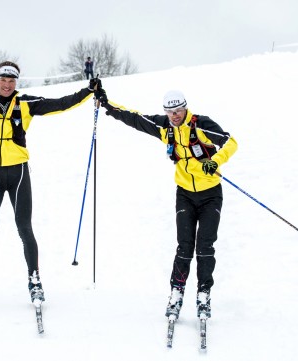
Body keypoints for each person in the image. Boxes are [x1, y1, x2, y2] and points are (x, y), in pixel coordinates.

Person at [0, 61, 100, 307]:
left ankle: (34, 281)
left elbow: (60, 104)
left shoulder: (26, 103)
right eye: (3, 81)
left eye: (11, 82)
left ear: (16, 83)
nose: (7, 85)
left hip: (19, 173)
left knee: (25, 228)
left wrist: (88, 91)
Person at [95, 87, 237, 321]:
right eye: (170, 112)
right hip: (185, 194)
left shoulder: (200, 124)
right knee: (184, 246)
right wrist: (109, 107)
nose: (174, 116)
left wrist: (216, 161)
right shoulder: (166, 128)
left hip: (211, 193)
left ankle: (203, 294)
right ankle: (176, 292)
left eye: (178, 110)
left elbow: (231, 142)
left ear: (185, 108)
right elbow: (136, 119)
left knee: (205, 246)